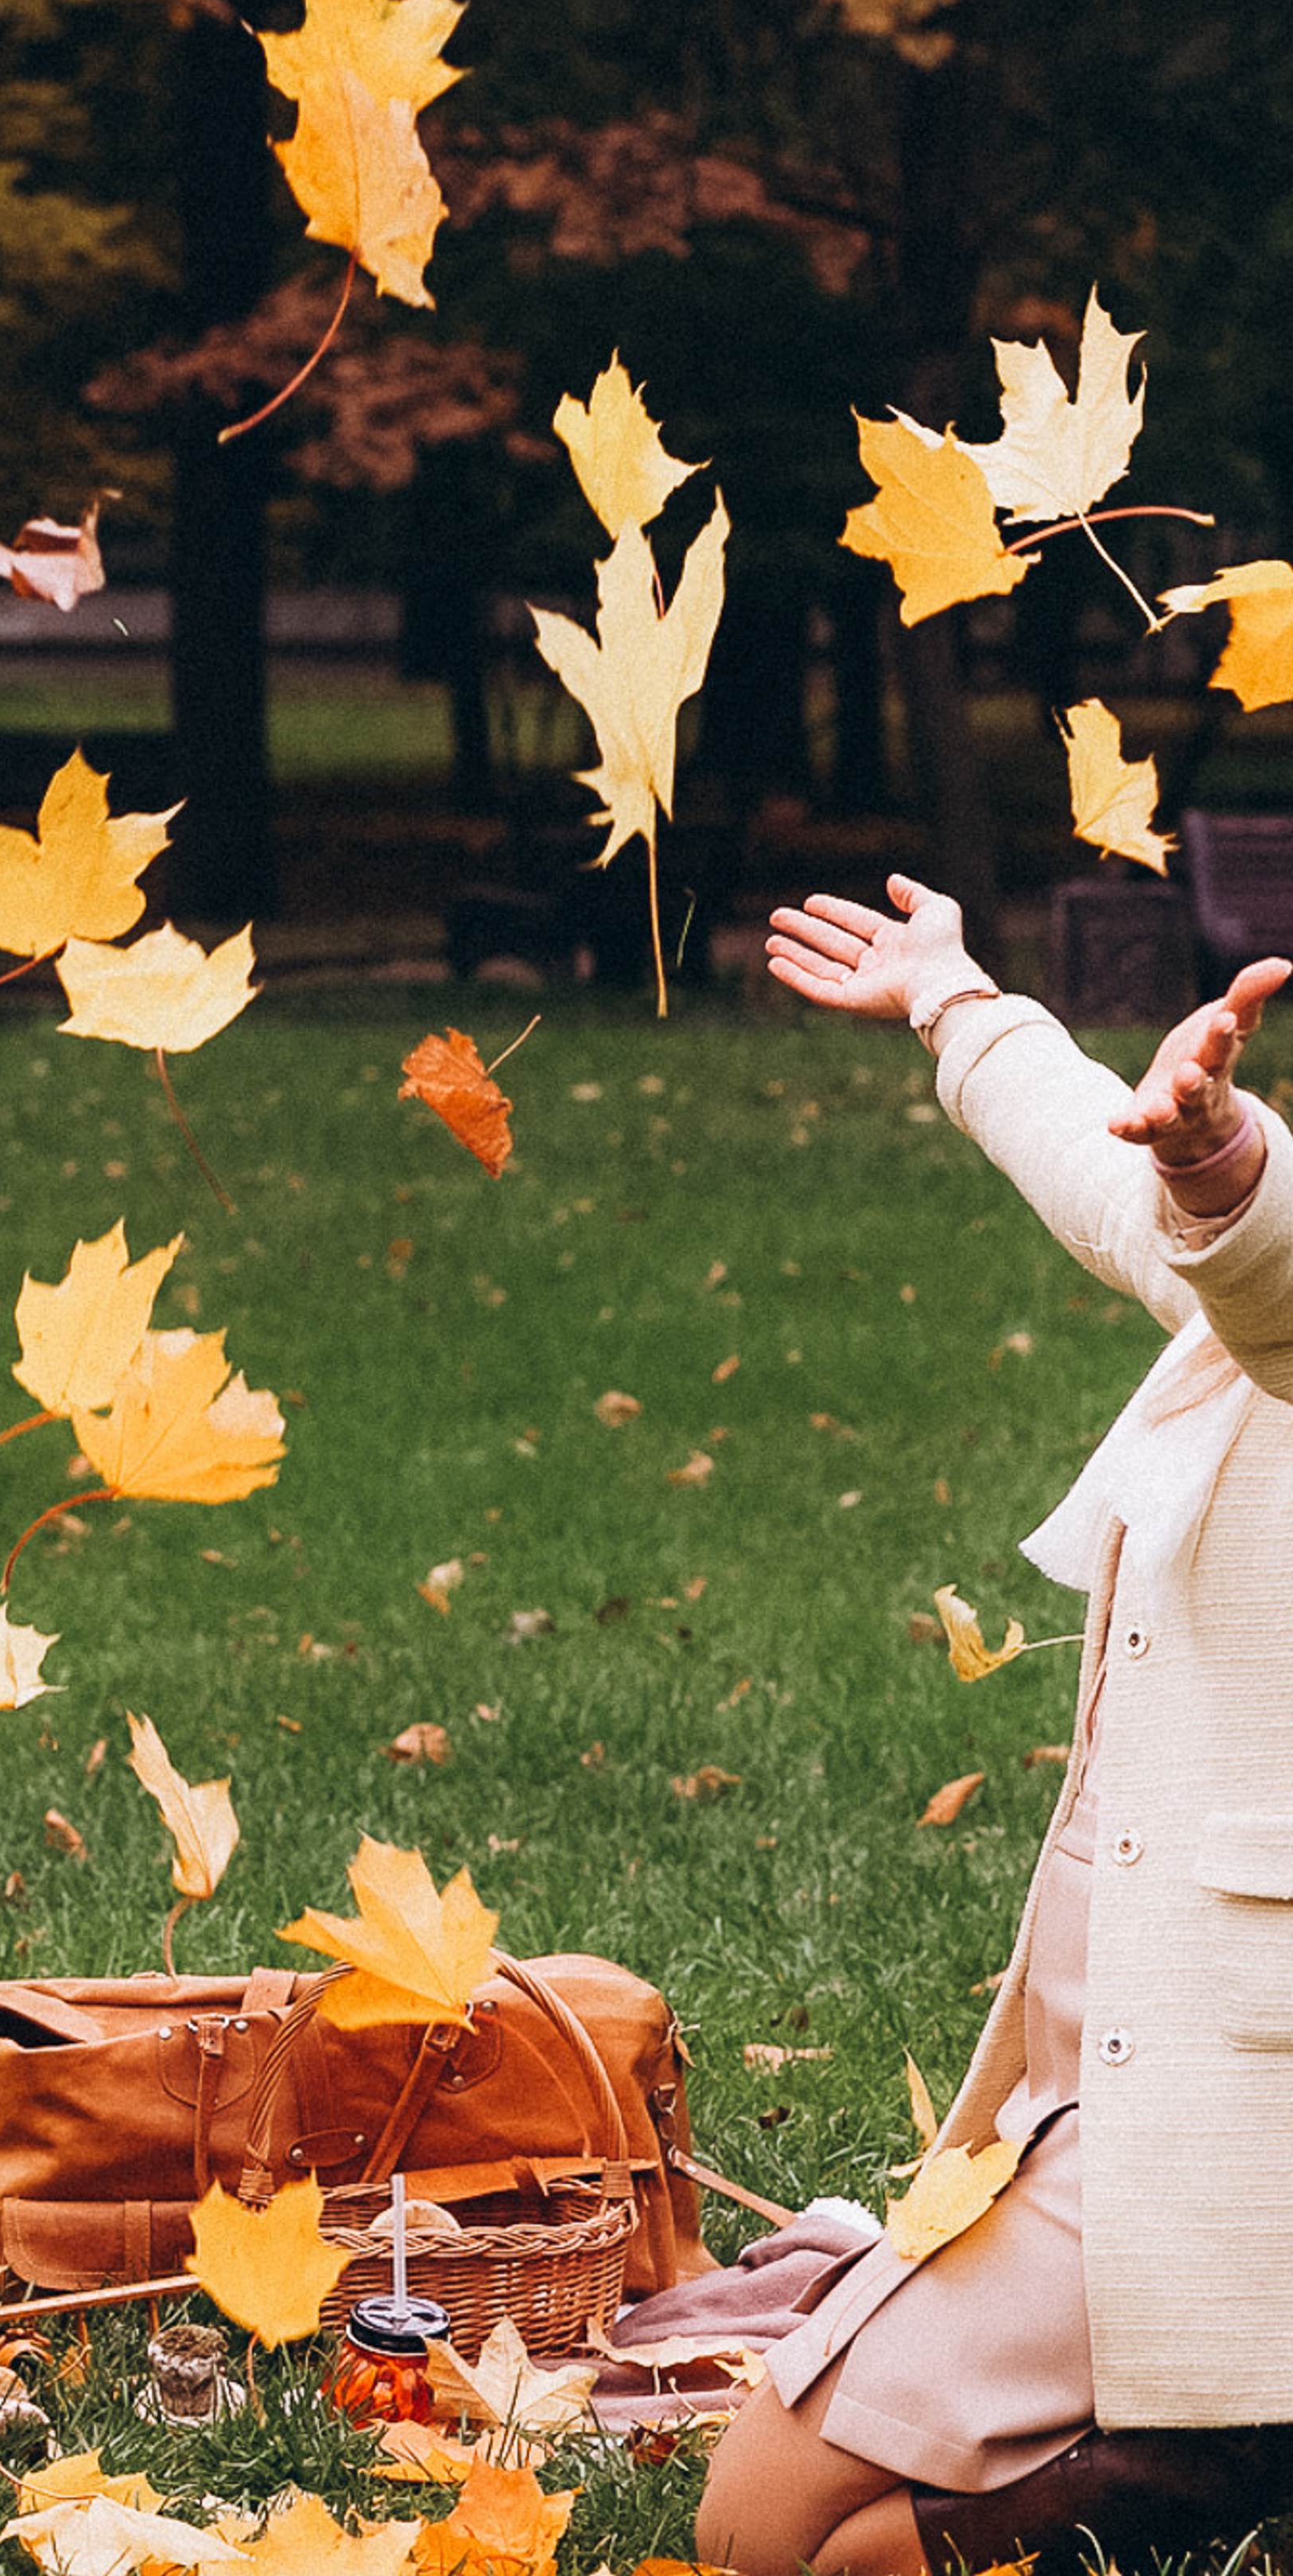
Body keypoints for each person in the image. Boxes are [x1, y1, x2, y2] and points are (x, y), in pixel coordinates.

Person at [694, 876, 1293, 2576]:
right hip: (1113, 2094)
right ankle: (1211, 2450)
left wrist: (1222, 1167)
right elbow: (1123, 1199)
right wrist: (956, 1002)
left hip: (1236, 2137)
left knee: (838, 2558)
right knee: (751, 2531)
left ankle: (1237, 2463)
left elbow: (1267, 1263)